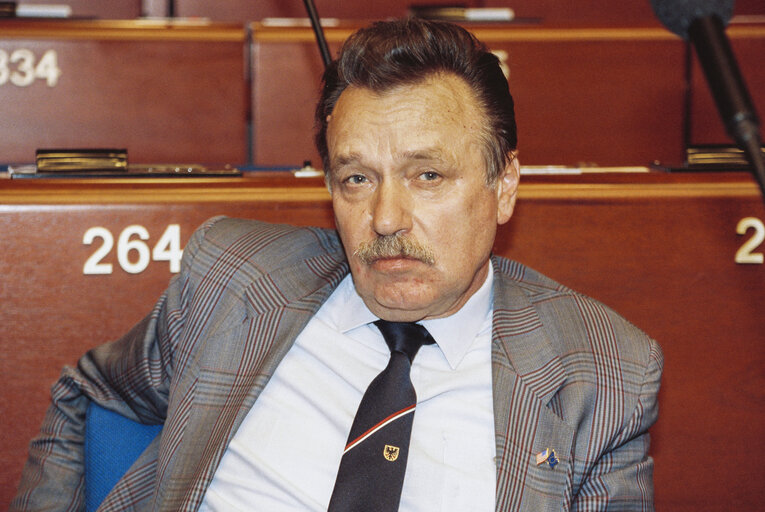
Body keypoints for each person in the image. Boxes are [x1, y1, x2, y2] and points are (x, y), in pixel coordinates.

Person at [12, 17, 662, 511]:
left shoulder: (603, 373)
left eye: (427, 175)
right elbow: (87, 394)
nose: (384, 218)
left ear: (504, 185)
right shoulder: (231, 278)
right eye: (355, 178)